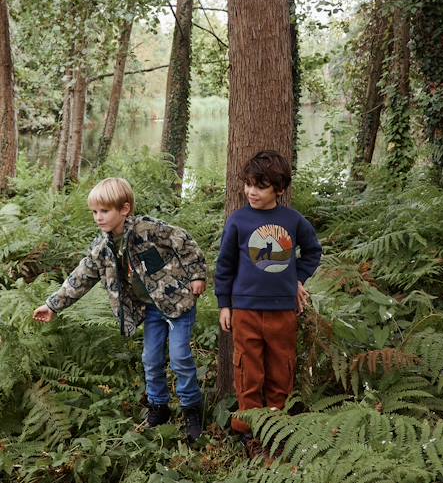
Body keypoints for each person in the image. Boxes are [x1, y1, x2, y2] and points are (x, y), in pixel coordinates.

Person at [33, 177, 206, 442]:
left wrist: (196, 276)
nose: (98, 218)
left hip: (177, 304)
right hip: (150, 311)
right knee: (151, 359)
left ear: (124, 209)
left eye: (104, 211)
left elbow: (184, 241)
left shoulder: (148, 229)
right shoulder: (101, 248)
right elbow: (80, 277)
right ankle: (159, 406)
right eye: (94, 212)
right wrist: (53, 304)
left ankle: (192, 408)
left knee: (180, 356)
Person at [215, 150, 322, 452]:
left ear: (279, 189)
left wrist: (296, 279)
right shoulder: (238, 221)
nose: (251, 191)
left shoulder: (292, 220)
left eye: (260, 186)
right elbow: (224, 266)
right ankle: (250, 429)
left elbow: (313, 251)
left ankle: (276, 425)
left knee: (280, 367)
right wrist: (225, 303)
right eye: (248, 184)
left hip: (283, 311)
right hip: (245, 310)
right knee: (248, 368)